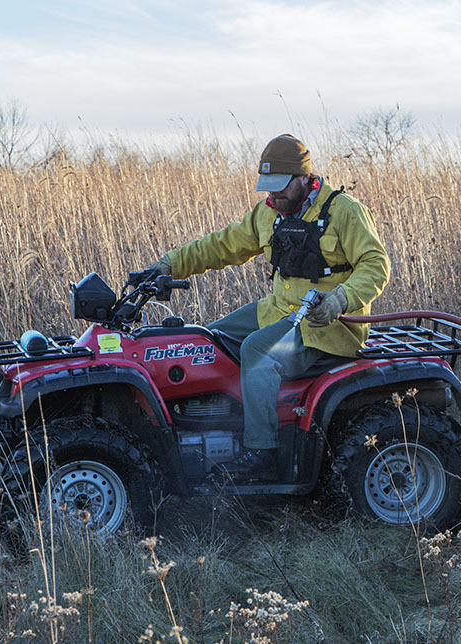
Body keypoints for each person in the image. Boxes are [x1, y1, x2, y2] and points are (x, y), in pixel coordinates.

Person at [144, 134, 390, 478]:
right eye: (268, 187)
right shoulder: (267, 213)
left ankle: (261, 451)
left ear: (304, 177)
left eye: (281, 186)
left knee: (257, 350)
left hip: (326, 324)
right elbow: (223, 245)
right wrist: (169, 264)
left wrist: (339, 300)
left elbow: (376, 265)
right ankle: (220, 422)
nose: (273, 194)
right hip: (278, 310)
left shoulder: (344, 212)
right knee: (208, 341)